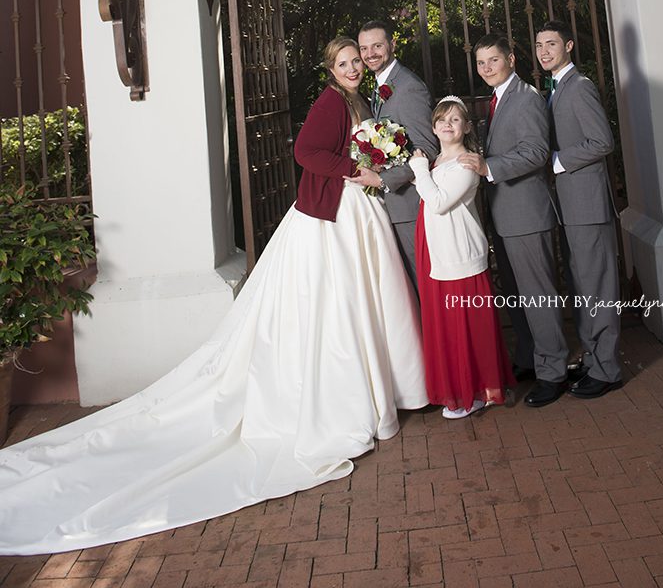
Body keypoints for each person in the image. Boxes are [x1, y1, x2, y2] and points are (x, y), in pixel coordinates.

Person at [0, 37, 428, 556]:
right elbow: (306, 152)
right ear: (330, 69)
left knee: (362, 303)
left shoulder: (361, 102)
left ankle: (382, 387)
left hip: (354, 212)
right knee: (333, 309)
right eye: (343, 63)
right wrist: (354, 171)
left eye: (357, 62)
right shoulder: (330, 101)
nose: (353, 68)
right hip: (330, 217)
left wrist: (367, 164)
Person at [458, 32, 570, 408]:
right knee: (518, 297)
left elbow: (537, 152)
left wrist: (489, 166)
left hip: (526, 215)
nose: (486, 68)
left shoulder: (526, 98)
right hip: (503, 215)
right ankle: (529, 360)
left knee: (539, 296)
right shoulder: (495, 101)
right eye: (480, 62)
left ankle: (554, 372)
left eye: (493, 60)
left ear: (511, 60)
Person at [409, 96, 515, 419]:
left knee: (466, 326)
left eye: (455, 120)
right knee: (445, 327)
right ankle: (458, 387)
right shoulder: (437, 163)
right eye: (442, 119)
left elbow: (439, 202)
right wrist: (424, 170)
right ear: (433, 126)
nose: (447, 124)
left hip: (459, 253)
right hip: (436, 249)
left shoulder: (468, 164)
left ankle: (477, 392)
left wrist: (417, 169)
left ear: (466, 127)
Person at [536, 20, 623, 398]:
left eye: (551, 44)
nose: (544, 51)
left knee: (597, 288)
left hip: (588, 207)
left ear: (569, 46)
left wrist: (556, 161)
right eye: (539, 45)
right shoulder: (554, 89)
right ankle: (592, 359)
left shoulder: (580, 87)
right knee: (582, 286)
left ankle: (608, 370)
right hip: (570, 208)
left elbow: (602, 141)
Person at [358, 20, 438, 290]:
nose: (370, 54)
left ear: (392, 45)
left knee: (422, 283)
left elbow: (427, 147)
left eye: (377, 46)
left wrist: (382, 180)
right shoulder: (382, 84)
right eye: (364, 48)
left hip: (409, 205)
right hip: (393, 205)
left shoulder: (408, 86)